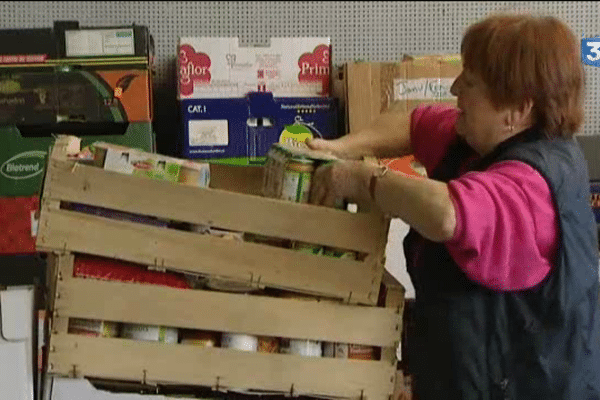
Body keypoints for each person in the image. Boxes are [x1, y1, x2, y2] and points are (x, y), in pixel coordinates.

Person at [308, 13, 600, 400]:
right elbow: (414, 123)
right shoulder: (483, 140)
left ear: (517, 110)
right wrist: (340, 148)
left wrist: (363, 181)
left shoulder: (529, 190)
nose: (455, 86)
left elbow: (447, 214)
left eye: (471, 82)